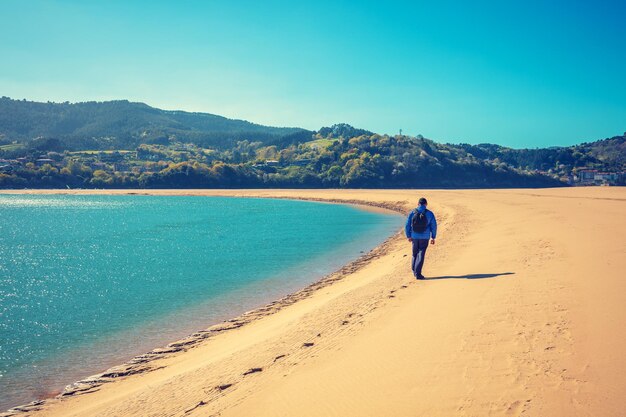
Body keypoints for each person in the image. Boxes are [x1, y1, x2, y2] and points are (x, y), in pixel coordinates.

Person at [405, 197, 437, 279]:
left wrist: (408, 236)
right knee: (421, 254)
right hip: (425, 237)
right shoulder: (430, 213)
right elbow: (434, 226)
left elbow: (407, 225)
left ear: (418, 204)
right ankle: (418, 274)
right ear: (426, 204)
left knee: (414, 254)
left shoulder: (412, 212)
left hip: (414, 237)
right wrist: (433, 237)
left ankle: (414, 270)